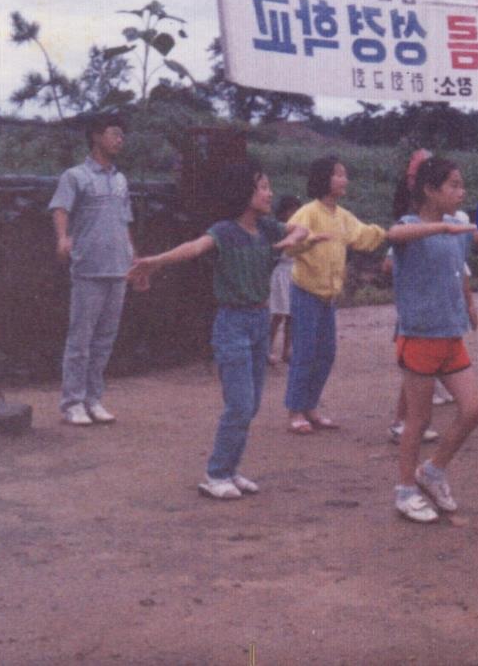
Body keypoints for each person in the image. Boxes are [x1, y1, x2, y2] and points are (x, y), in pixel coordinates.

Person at [127, 161, 315, 498]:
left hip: (259, 322)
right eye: (263, 187)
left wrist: (293, 238)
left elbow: (302, 230)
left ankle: (230, 469)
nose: (269, 193)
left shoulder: (268, 229)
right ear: (245, 192)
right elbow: (194, 248)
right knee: (240, 404)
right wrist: (155, 262)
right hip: (233, 324)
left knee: (252, 404)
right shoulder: (224, 231)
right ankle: (215, 474)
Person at [390, 156, 478, 523]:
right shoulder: (409, 226)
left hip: (451, 336)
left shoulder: (457, 229)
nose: (461, 193)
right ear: (430, 190)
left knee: (473, 410)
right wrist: (441, 229)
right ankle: (404, 490)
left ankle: (432, 471)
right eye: (454, 185)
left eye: (462, 185)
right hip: (418, 337)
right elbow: (393, 235)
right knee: (418, 419)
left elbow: (477, 248)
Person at [283, 156, 389, 435]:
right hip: (306, 291)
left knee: (326, 353)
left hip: (328, 296)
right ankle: (295, 410)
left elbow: (362, 235)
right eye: (339, 174)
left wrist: (388, 233)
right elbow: (288, 246)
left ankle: (311, 406)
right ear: (324, 178)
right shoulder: (308, 212)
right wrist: (309, 241)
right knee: (304, 352)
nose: (345, 179)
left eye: (345, 174)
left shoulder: (342, 216)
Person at [48, 114, 136, 426]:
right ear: (97, 136)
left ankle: (93, 399)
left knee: (105, 339)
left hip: (118, 268)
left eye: (121, 134)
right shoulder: (75, 176)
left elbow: (125, 220)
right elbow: (60, 208)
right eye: (115, 133)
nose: (120, 139)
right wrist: (63, 238)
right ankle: (72, 402)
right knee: (80, 339)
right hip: (88, 267)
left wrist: (132, 258)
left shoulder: (121, 179)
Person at [267, 195, 302, 366]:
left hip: (295, 274)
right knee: (278, 314)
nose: (294, 213)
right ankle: (267, 349)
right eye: (291, 210)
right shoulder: (278, 230)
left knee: (292, 316)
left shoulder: (301, 229)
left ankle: (287, 351)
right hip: (281, 273)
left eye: (296, 209)